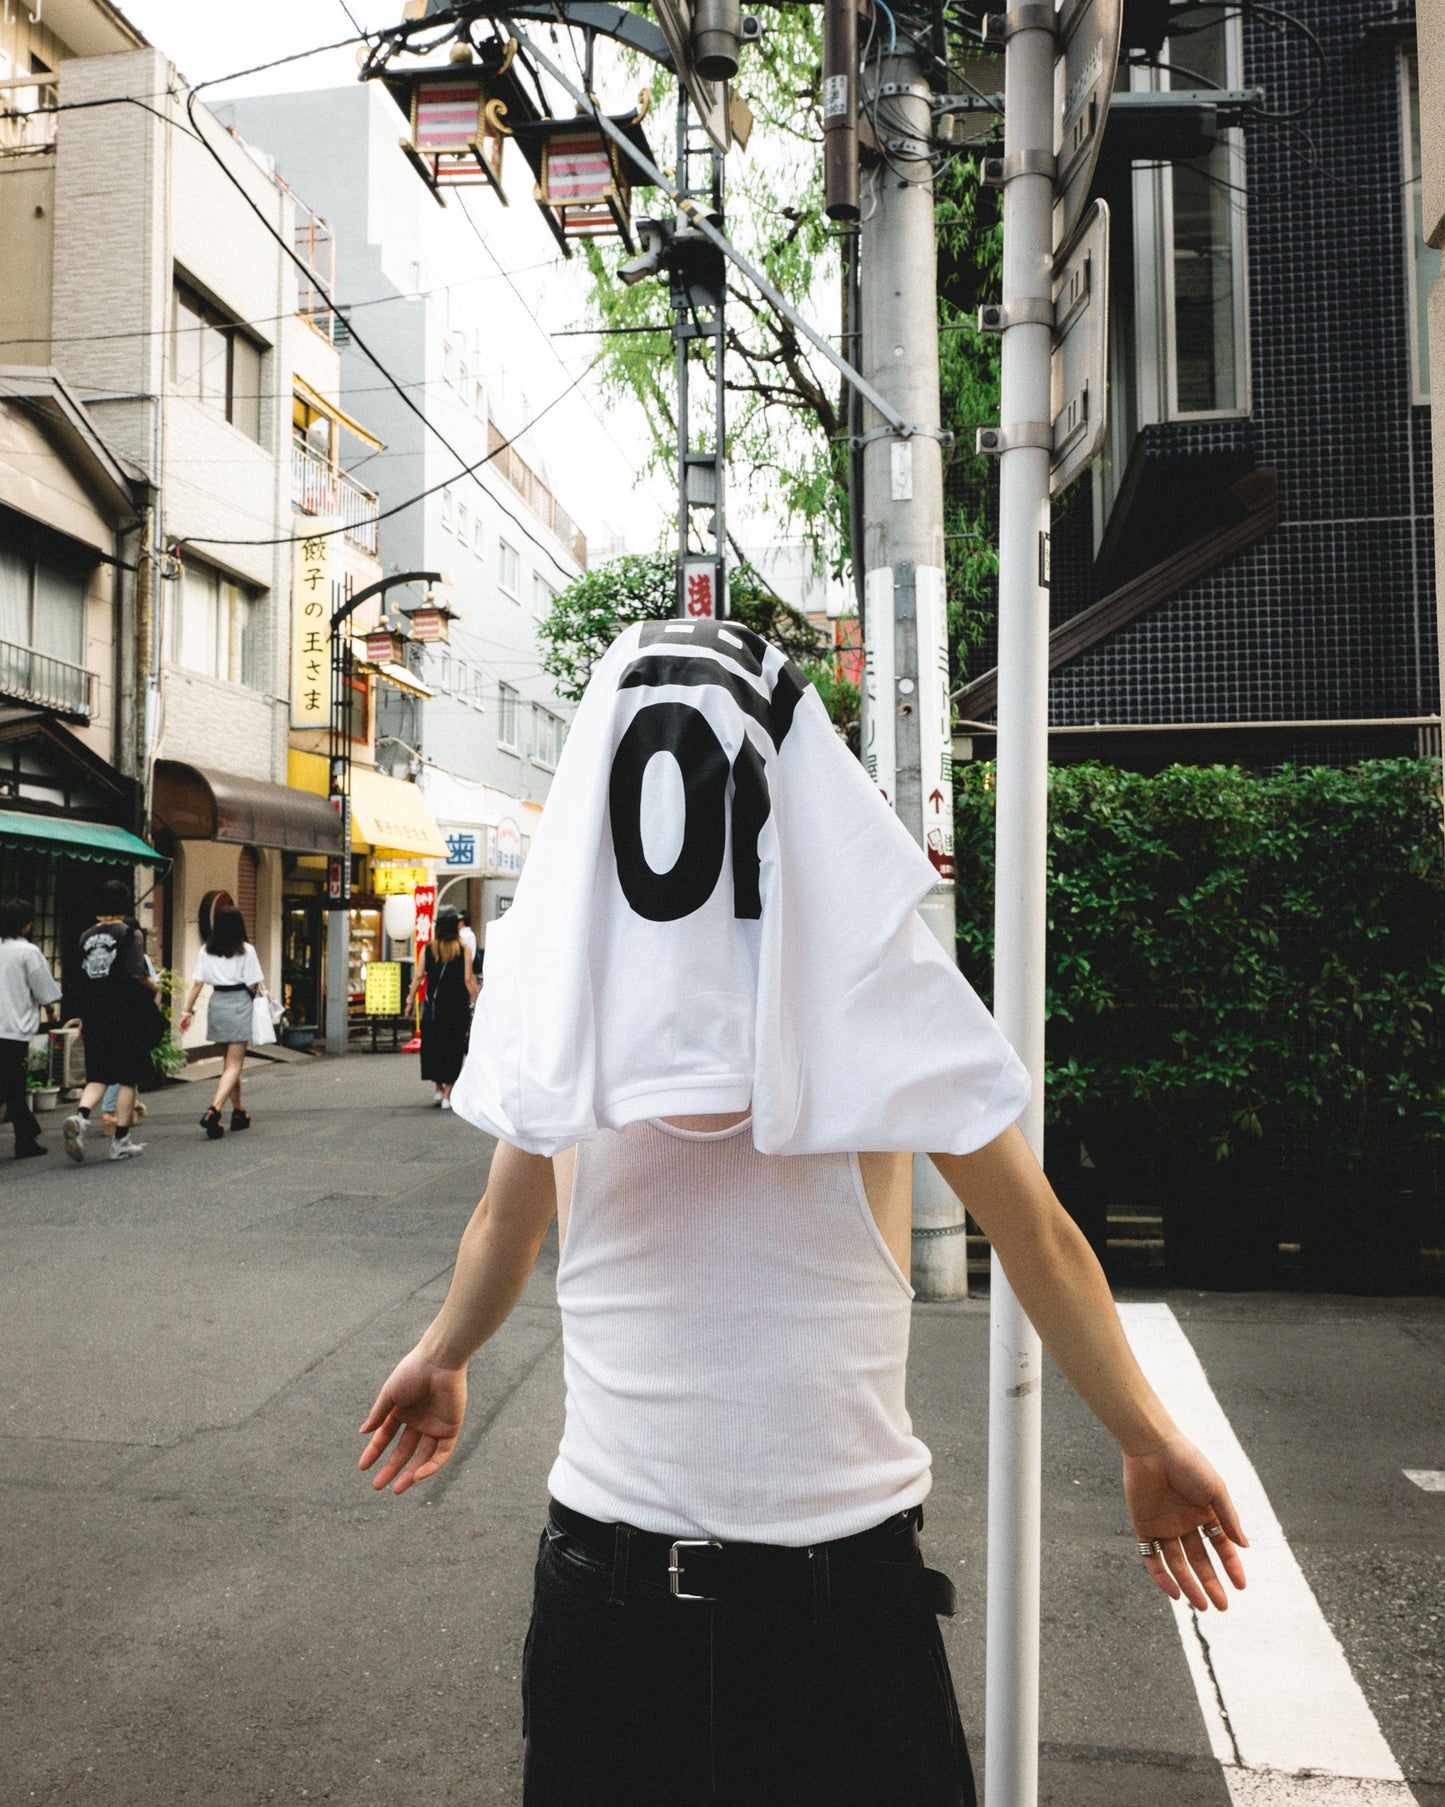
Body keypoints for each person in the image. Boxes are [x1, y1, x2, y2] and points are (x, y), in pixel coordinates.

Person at [359, 622, 1249, 1807]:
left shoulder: (554, 982)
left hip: (609, 1595)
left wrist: (442, 1354)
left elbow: (501, 1225)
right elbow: (1036, 1235)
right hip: (843, 1612)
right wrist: (1143, 1435)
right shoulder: (871, 984)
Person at [62, 878, 156, 1163]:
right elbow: (137, 974)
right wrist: (155, 986)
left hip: (94, 1013)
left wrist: (82, 1016)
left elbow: (80, 978)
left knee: (98, 1075)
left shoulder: (85, 936)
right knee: (127, 1077)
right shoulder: (129, 933)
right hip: (125, 1013)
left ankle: (79, 1118)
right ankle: (121, 1141)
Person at [178, 904, 265, 1138]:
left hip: (217, 1003)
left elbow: (197, 983)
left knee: (228, 1063)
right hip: (239, 1003)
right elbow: (253, 983)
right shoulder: (246, 950)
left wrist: (187, 1012)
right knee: (235, 1065)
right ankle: (214, 1110)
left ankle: (238, 1112)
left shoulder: (207, 949)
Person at [0, 897, 61, 1160]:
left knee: (9, 1085)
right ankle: (26, 1137)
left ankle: (27, 1134)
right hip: (13, 1029)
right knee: (13, 1085)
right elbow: (43, 989)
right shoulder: (28, 952)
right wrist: (49, 1010)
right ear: (26, 924)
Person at [403, 905, 478, 1110]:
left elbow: (418, 976)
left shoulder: (428, 949)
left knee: (434, 1048)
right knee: (453, 1049)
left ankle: (437, 1090)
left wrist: (409, 1001)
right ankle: (447, 1094)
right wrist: (479, 1003)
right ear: (455, 926)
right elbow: (468, 980)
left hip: (433, 1009)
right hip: (456, 1009)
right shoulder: (464, 949)